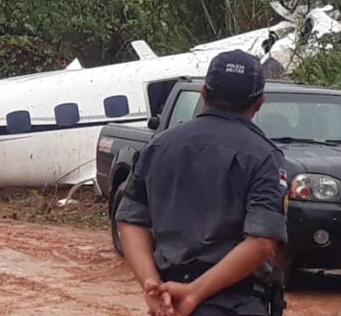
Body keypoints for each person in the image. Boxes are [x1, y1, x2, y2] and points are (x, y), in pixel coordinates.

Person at [116, 50, 288, 316]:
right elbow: (262, 241)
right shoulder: (264, 156)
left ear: (204, 93)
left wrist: (153, 286)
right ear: (259, 102)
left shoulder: (158, 146)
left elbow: (130, 220)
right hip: (235, 304)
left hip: (170, 305)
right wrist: (194, 292)